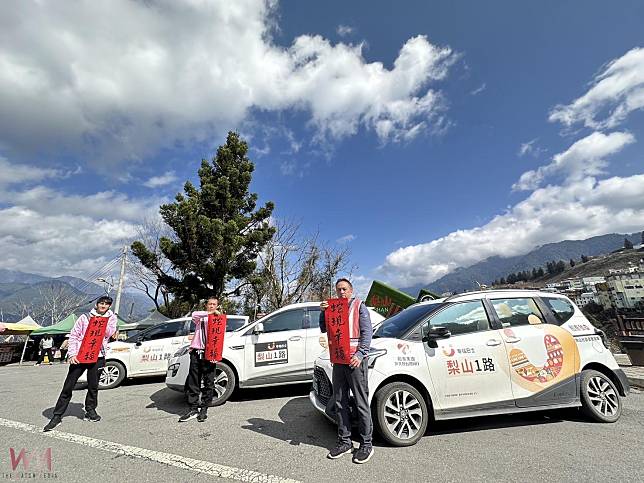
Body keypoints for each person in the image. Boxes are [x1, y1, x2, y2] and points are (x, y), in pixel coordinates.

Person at [43, 296, 118, 432]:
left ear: (109, 307)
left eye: (107, 304)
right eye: (101, 303)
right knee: (69, 386)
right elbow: (74, 335)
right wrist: (72, 354)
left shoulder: (111, 318)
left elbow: (109, 333)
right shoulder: (84, 317)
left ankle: (90, 410)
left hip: (98, 356)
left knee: (93, 386)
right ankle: (57, 415)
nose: (103, 306)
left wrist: (104, 321)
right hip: (80, 355)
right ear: (96, 304)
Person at [320, 278, 374, 464]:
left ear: (351, 290)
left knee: (360, 402)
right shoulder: (333, 307)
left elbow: (367, 333)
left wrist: (360, 354)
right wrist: (323, 312)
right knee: (340, 402)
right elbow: (323, 328)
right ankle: (345, 441)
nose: (341, 292)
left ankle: (366, 444)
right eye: (338, 290)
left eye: (344, 289)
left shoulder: (359, 306)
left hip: (355, 361)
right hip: (339, 361)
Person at [179, 297, 221, 423]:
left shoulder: (219, 319)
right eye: (210, 304)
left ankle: (204, 409)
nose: (212, 306)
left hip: (210, 353)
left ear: (218, 306)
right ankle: (193, 409)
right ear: (206, 305)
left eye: (214, 305)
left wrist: (216, 355)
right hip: (197, 352)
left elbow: (219, 338)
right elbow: (193, 314)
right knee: (194, 381)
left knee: (209, 382)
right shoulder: (200, 317)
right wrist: (210, 313)